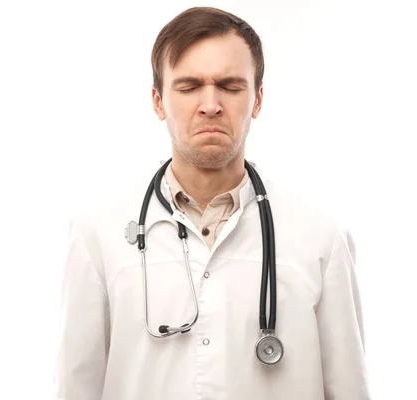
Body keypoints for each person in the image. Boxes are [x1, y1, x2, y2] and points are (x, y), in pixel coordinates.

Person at [54, 6, 371, 400]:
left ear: (256, 100)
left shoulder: (320, 237)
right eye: (188, 86)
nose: (210, 104)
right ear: (157, 101)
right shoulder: (96, 234)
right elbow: (76, 388)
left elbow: (348, 390)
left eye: (230, 86)